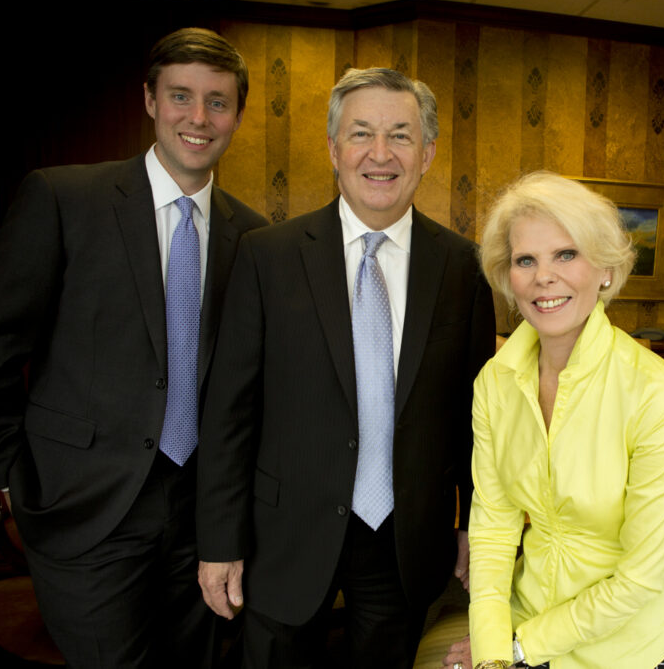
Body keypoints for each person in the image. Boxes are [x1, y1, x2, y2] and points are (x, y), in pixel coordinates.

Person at [0, 28, 267, 667]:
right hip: (82, 508)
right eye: (181, 96)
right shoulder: (63, 198)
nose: (199, 117)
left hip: (199, 522)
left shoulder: (252, 237)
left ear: (238, 115)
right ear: (149, 100)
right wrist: (8, 477)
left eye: (218, 102)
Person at [195, 67, 496, 668]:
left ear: (428, 153)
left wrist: (475, 526)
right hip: (283, 539)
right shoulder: (267, 256)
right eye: (361, 134)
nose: (380, 154)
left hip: (407, 540)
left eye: (401, 136)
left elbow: (476, 414)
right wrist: (220, 543)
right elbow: (230, 412)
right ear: (334, 149)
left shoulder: (465, 266)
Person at [444, 171, 664, 669]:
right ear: (508, 278)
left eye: (566, 254)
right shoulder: (493, 384)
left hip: (636, 635)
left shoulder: (654, 390)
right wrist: (493, 648)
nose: (545, 276)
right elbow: (494, 528)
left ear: (605, 269)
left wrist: (520, 647)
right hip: (535, 609)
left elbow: (639, 579)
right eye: (526, 260)